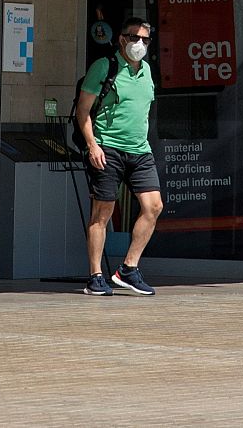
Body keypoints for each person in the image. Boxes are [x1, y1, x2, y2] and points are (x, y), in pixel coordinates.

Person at [76, 18, 162, 297]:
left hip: (139, 150)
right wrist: (93, 145)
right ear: (122, 39)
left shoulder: (147, 70)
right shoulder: (104, 67)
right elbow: (83, 111)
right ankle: (95, 275)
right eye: (135, 38)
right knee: (103, 213)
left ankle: (128, 268)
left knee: (154, 207)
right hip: (107, 148)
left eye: (145, 40)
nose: (140, 44)